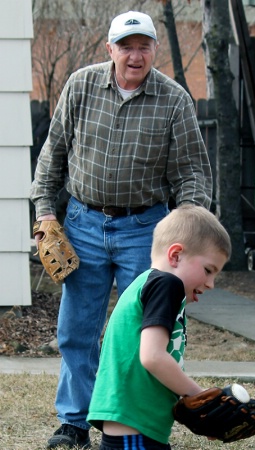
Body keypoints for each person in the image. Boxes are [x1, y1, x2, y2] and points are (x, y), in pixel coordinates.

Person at [30, 10, 213, 450]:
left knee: (149, 330)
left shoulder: (174, 100)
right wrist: (44, 212)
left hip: (146, 228)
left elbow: (192, 174)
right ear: (109, 49)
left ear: (155, 49)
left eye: (143, 45)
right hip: (81, 222)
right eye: (126, 46)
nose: (135, 55)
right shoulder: (80, 85)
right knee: (76, 329)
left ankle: (141, 419)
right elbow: (52, 154)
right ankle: (74, 422)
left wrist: (185, 233)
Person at [87, 204, 231, 449]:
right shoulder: (166, 284)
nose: (211, 283)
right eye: (208, 270)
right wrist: (201, 398)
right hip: (134, 429)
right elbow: (152, 357)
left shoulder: (147, 283)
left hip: (134, 427)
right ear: (175, 255)